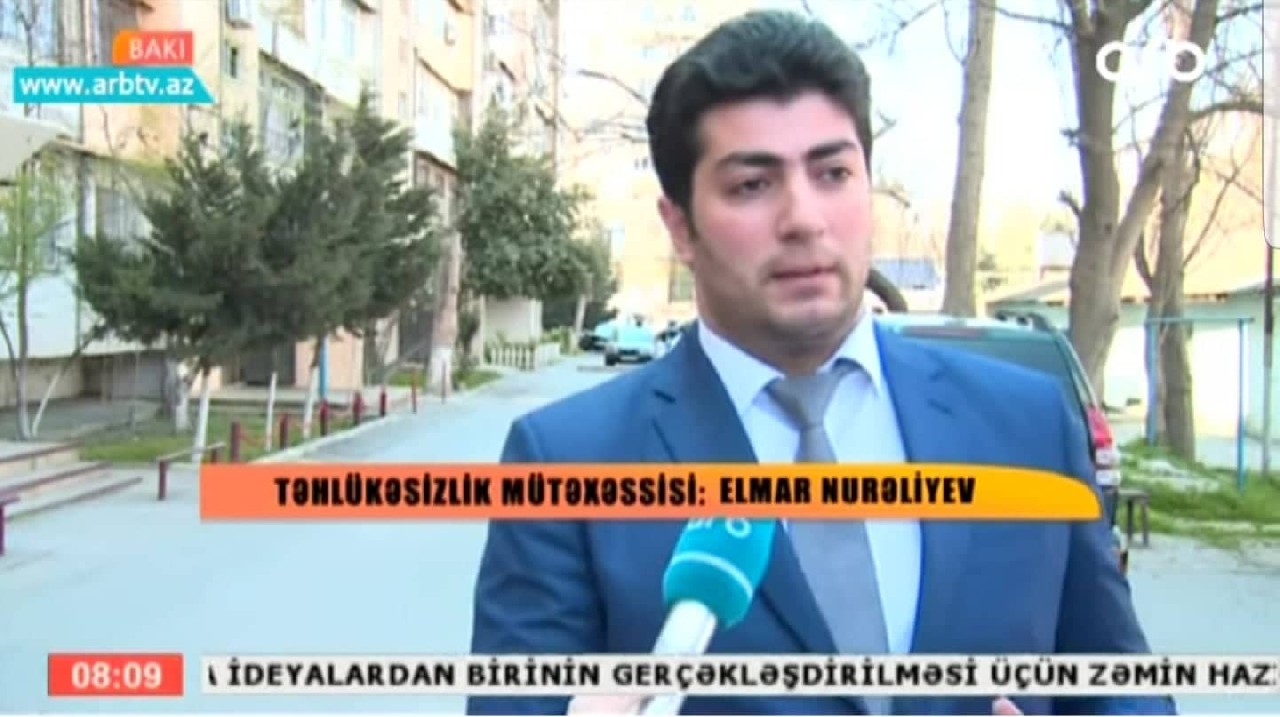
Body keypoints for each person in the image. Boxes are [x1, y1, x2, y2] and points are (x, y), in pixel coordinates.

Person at [468, 10, 1173, 717]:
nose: (804, 218)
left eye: (833, 173)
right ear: (680, 225)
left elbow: (1123, 689)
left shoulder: (1026, 427)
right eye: (753, 184)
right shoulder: (564, 464)